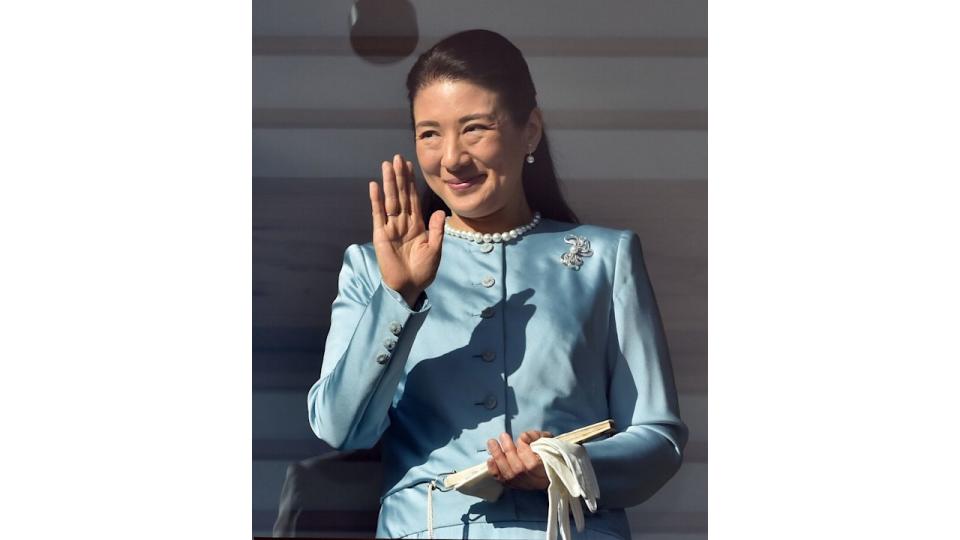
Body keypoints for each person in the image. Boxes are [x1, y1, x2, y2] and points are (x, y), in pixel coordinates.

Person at [307, 29, 687, 539]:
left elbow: (659, 437)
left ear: (529, 131)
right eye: (429, 133)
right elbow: (340, 429)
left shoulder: (605, 258)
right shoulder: (370, 268)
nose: (452, 159)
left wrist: (562, 465)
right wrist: (399, 297)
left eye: (475, 129)